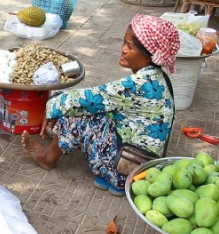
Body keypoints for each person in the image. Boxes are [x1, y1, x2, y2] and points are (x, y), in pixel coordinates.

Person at [21, 14, 179, 196]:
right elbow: (105, 99)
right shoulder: (157, 77)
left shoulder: (137, 84)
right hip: (141, 165)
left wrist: (50, 108)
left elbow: (87, 99)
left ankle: (49, 157)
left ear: (149, 56)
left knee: (73, 110)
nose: (123, 50)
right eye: (124, 43)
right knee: (79, 105)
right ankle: (61, 139)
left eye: (130, 47)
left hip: (127, 172)